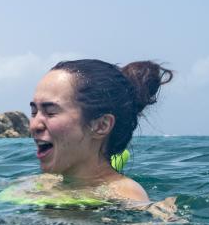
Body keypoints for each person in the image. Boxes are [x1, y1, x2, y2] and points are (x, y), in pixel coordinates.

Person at [29, 59, 173, 202]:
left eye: (50, 112)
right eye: (34, 112)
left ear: (101, 126)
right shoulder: (43, 185)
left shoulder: (125, 198)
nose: (34, 125)